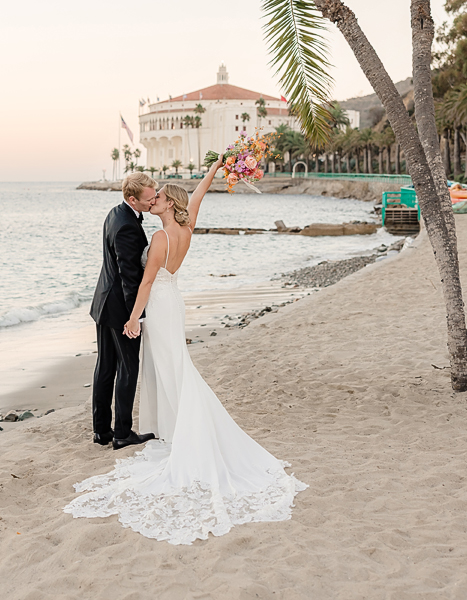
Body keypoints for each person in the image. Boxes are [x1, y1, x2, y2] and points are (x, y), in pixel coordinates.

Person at [66, 160, 307, 545]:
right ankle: (170, 427)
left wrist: (132, 319)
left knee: (168, 368)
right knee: (175, 367)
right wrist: (214, 168)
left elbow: (144, 282)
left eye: (158, 197)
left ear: (166, 204)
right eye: (151, 196)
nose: (154, 200)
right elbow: (198, 194)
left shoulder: (161, 238)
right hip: (174, 303)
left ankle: (177, 430)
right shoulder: (187, 224)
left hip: (157, 307)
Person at [89, 172, 158, 450]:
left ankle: (101, 431)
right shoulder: (128, 226)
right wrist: (135, 317)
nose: (154, 200)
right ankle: (122, 433)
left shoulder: (115, 213)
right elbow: (130, 276)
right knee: (128, 368)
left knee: (105, 367)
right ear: (132, 199)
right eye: (149, 197)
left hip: (103, 302)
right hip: (120, 308)